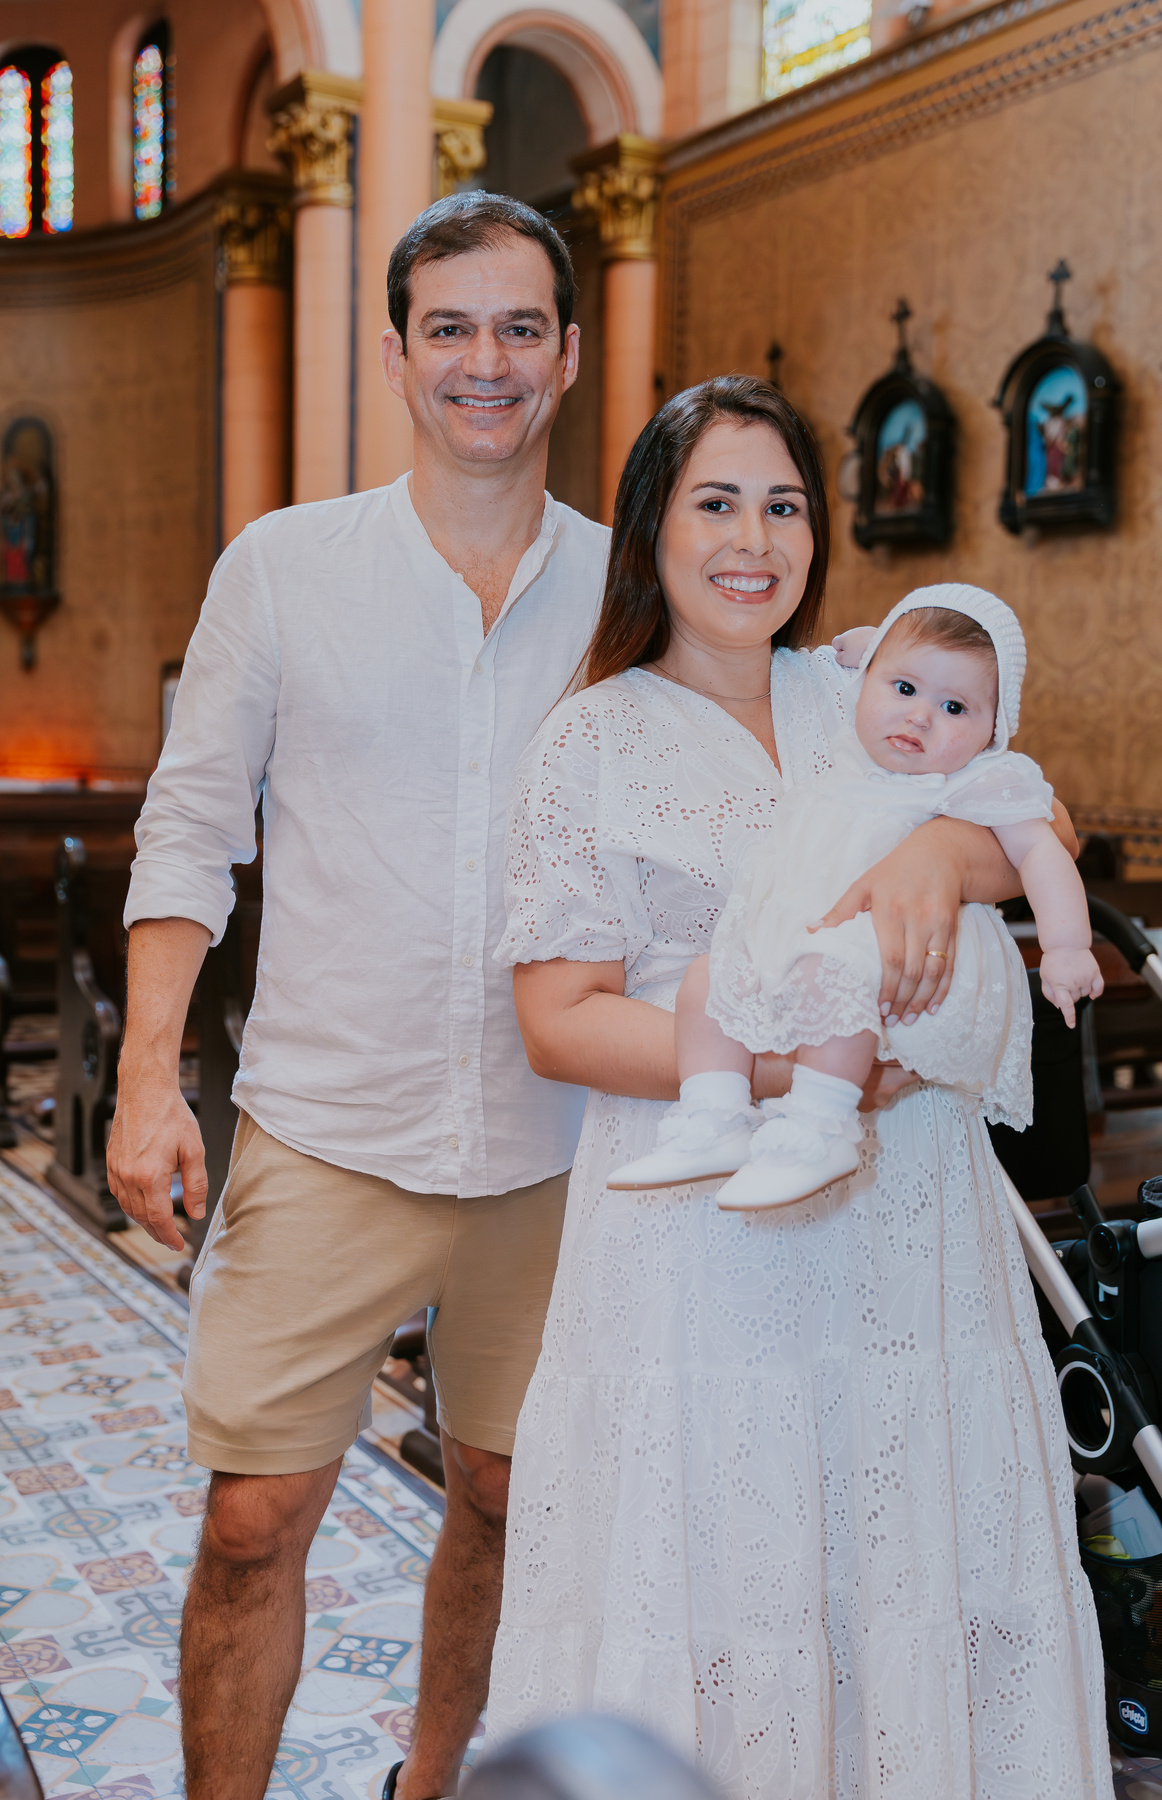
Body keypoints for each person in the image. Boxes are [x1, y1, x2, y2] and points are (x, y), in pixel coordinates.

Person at [485, 376, 1108, 1796]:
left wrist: (935, 861)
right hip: (700, 1245)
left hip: (910, 1232)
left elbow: (1037, 811)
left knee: (906, 1572)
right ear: (652, 527)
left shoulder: (862, 681)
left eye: (782, 504)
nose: (751, 537)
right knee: (725, 1583)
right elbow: (559, 1022)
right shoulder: (590, 740)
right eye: (715, 502)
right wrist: (776, 1066)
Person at [107, 192, 608, 1800]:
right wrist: (145, 1076)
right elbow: (191, 823)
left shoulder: (634, 593)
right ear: (396, 355)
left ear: (569, 355)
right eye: (450, 328)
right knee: (254, 1519)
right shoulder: (286, 568)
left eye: (519, 327)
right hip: (329, 1123)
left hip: (556, 1138)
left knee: (505, 1493)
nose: (486, 363)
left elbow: (823, 734)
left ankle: (431, 1785)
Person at [607, 584, 1104, 1209]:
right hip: (822, 940)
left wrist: (1065, 946)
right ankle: (714, 1117)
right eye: (904, 690)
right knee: (711, 978)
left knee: (831, 969)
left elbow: (1042, 849)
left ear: (992, 732)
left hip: (912, 958)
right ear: (868, 682)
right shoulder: (858, 742)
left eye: (956, 708)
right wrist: (874, 649)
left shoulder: (974, 781)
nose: (920, 716)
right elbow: (894, 661)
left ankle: (821, 1127)